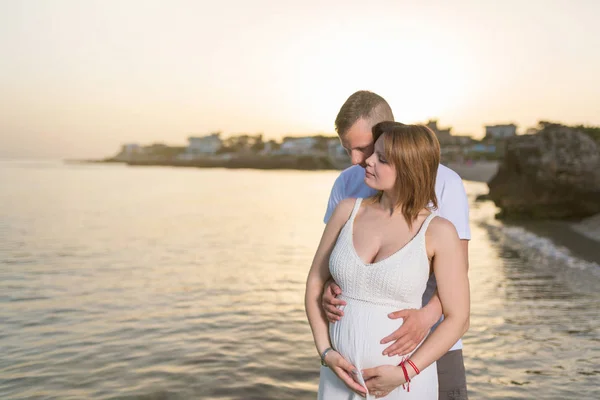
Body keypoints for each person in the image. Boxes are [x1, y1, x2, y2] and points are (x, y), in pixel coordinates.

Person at [305, 121, 470, 399]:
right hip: (337, 378)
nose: (367, 161)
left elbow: (459, 318)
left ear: (409, 169)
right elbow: (314, 283)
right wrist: (325, 353)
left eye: (381, 158)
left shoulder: (439, 231)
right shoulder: (347, 211)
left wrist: (405, 373)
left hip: (403, 384)